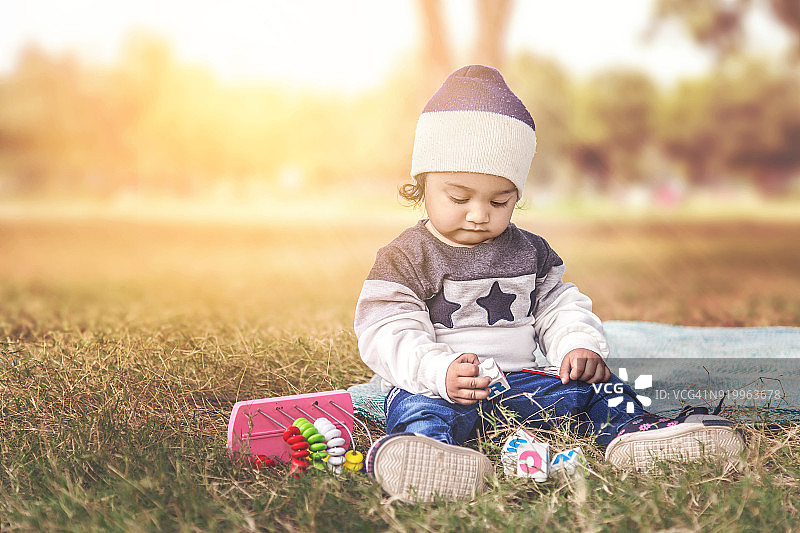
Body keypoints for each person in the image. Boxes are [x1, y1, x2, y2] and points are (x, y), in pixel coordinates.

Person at [354, 65, 743, 503]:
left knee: (600, 386)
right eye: (459, 198)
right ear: (422, 184)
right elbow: (385, 329)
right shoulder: (406, 256)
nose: (480, 214)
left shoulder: (529, 251)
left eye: (500, 201)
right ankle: (432, 456)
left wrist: (576, 344)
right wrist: (436, 371)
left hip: (521, 385)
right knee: (415, 407)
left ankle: (635, 437)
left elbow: (559, 305)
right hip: (440, 388)